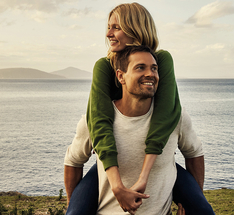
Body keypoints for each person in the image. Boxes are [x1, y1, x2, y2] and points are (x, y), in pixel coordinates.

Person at [64, 46, 214, 214]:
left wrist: (193, 201)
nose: (150, 74)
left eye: (154, 68)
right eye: (140, 67)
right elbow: (73, 161)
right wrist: (73, 204)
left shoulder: (175, 117)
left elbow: (194, 152)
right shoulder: (94, 121)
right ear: (121, 76)